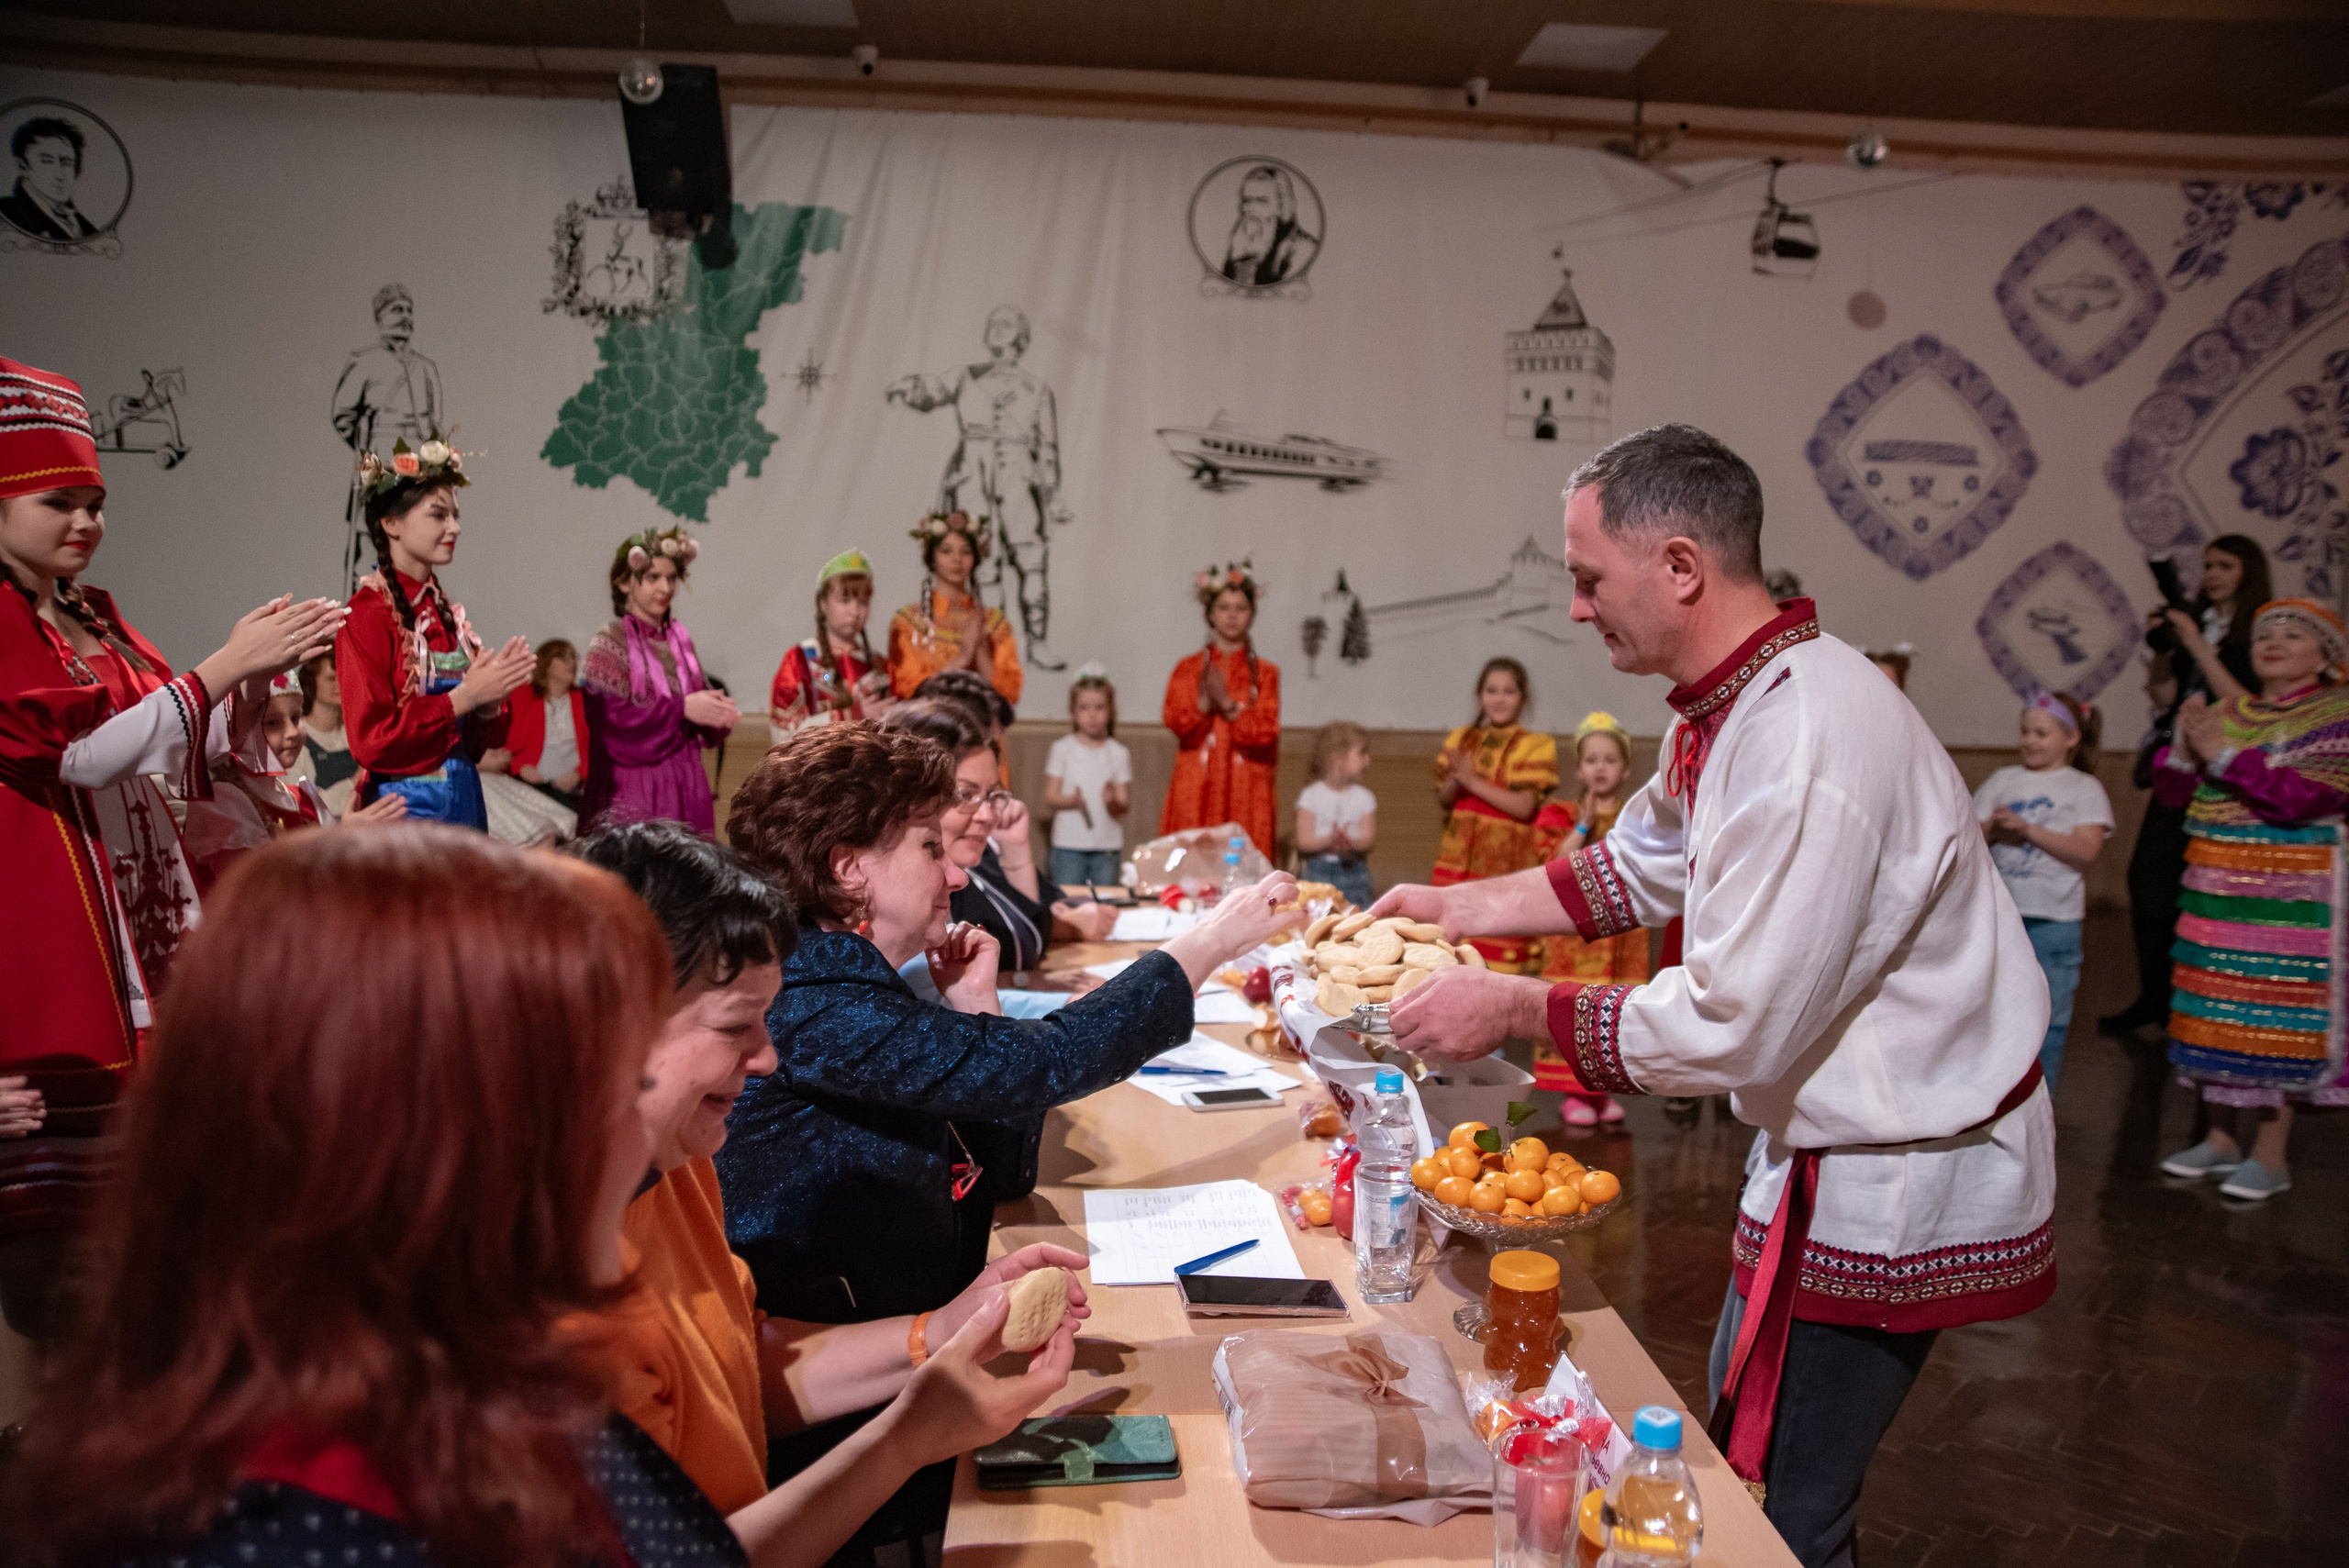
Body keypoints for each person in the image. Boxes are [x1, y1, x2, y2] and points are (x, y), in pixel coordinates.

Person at [1371, 425, 2055, 1568]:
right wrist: (1456, 910)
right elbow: (1639, 861)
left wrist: (1512, 1011)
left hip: (1894, 1160)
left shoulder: (1804, 735)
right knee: (1747, 1454)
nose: (1579, 609)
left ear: (1679, 566)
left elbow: (1734, 1021)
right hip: (1836, 1140)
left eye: (1589, 579)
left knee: (1786, 1506)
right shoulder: (1730, 701)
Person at [1, 827, 737, 1567]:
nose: (638, 1136)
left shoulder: (463, 1385)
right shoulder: (291, 1530)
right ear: (448, 1145)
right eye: (619, 1088)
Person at [716, 722, 1296, 1563]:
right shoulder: (815, 1000)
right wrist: (1205, 943)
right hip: (833, 1440)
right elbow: (1045, 1060)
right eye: (928, 846)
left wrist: (977, 1004)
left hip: (902, 1382)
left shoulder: (857, 988)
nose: (957, 871)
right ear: (850, 870)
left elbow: (1005, 1165)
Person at [566, 822, 1084, 1560]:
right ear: (611, 1024)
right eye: (735, 1026)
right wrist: (904, 1440)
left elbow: (739, 1365)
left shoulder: (673, 1165)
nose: (767, 1057)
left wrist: (940, 1329)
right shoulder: (545, 1299)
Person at [1, 356, 340, 1344]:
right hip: (60, 901)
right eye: (59, 501)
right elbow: (73, 752)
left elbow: (172, 738)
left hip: (143, 893)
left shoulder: (93, 612)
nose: (86, 522)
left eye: (97, 502)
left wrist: (246, 686)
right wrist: (224, 663)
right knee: (65, 1214)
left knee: (160, 1186)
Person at [2154, 598, 2349, 1203]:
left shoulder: (2338, 712)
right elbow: (2170, 793)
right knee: (2217, 1004)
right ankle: (2218, 1139)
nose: (2275, 642)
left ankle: (2271, 1154)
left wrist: (2224, 756)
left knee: (2275, 1011)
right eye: (2267, 633)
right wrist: (2185, 750)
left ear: (2327, 655)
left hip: (2291, 891)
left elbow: (2306, 797)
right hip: (2216, 881)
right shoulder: (2227, 709)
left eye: (2294, 635)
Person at [337, 439, 534, 830]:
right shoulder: (367, 614)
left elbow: (476, 747)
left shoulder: (445, 615)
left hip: (463, 802)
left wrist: (491, 700)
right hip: (406, 815)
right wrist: (464, 697)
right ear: (391, 523)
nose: (455, 527)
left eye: (455, 515)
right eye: (438, 515)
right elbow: (371, 740)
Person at [885, 307, 1068, 670]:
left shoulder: (1037, 388)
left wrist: (1052, 494)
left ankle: (1037, 642)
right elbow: (934, 390)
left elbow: (1047, 448)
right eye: (993, 323)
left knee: (1031, 560)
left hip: (1018, 476)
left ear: (1022, 337)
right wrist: (912, 386)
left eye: (1006, 324)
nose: (997, 329)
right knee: (984, 565)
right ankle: (998, 646)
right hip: (973, 471)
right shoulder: (968, 376)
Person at [1974, 692, 2111, 1086]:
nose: (2030, 741)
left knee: (2048, 1016)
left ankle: (2039, 1097)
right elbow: (1967, 838)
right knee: (1994, 1012)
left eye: (2042, 733)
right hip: (2003, 918)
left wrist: (2029, 829)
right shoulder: (2003, 780)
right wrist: (1992, 827)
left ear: (2071, 738)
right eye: (2025, 732)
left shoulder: (2084, 788)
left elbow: (2087, 848)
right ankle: (1992, 1096)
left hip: (2055, 921)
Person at [581, 524, 740, 836]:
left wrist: (714, 710)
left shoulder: (679, 640)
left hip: (685, 780)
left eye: (671, 578)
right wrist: (681, 709)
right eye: (653, 577)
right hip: (635, 790)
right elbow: (611, 723)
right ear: (626, 582)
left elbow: (694, 703)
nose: (666, 588)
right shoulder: (608, 643)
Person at [1531, 712, 1648, 1125]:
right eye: (1592, 760)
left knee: (1614, 1006)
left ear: (1627, 768)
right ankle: (1573, 1092)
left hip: (1622, 933)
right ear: (1579, 768)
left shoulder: (1638, 816)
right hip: (1575, 936)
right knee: (1574, 1001)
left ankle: (1601, 1093)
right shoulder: (1559, 814)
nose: (1601, 768)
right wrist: (1585, 821)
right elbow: (1557, 865)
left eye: (1611, 760)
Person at [1431, 657, 1559, 973]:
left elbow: (1525, 806)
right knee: (1451, 953)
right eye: (1491, 691)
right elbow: (1446, 800)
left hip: (1504, 864)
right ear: (1480, 696)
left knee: (1498, 962)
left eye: (1508, 691)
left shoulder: (1534, 746)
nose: (1499, 699)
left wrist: (1472, 781)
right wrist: (1455, 780)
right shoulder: (1463, 739)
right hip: (1459, 861)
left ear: (1522, 699)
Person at [1160, 561, 1280, 855]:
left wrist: (1227, 705)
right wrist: (1203, 704)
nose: (1232, 616)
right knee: (1190, 873)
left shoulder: (1265, 673)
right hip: (1197, 785)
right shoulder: (1188, 669)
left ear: (1251, 615)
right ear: (1210, 614)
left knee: (1242, 875)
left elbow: (1265, 731)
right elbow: (1175, 721)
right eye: (1224, 607)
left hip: (1245, 790)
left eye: (1241, 608)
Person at [2101, 653, 2190, 1041]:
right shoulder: (2166, 722)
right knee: (2147, 886)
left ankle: (2180, 1004)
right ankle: (2155, 998)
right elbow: (2144, 777)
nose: (2148, 687)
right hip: (2170, 802)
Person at [886, 511, 1022, 706]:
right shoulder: (908, 621)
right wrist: (963, 656)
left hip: (981, 727)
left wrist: (981, 647)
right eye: (946, 551)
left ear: (975, 558)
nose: (957, 559)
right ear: (932, 557)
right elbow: (906, 689)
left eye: (966, 551)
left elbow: (1008, 695)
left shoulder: (993, 622)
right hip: (927, 727)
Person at [771, 550, 894, 740]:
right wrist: (853, 715)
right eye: (844, 600)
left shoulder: (879, 666)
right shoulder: (800, 660)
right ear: (823, 603)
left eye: (863, 602)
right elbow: (784, 734)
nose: (854, 611)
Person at [2150, 534, 2270, 704]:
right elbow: (2164, 699)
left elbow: (2250, 709)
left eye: (2225, 566)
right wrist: (2161, 649)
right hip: (2181, 729)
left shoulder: (2262, 633)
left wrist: (2197, 645)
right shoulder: (2197, 622)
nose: (2212, 574)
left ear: (2250, 572)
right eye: (2208, 566)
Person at [1043, 663, 1131, 890]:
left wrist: (1111, 801)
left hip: (1106, 848)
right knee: (1068, 906)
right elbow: (1051, 797)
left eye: (1099, 707)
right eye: (1084, 707)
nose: (1092, 714)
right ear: (1073, 712)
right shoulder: (1062, 748)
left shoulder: (1118, 752)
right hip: (1068, 846)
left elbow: (1123, 805)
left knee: (1105, 904)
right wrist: (1072, 800)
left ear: (1110, 711)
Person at [1295, 719, 1377, 909]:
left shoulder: (1365, 797)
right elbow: (1304, 841)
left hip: (1355, 872)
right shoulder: (1311, 796)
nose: (1367, 760)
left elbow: (1368, 839)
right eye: (1362, 753)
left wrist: (1349, 842)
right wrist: (1331, 839)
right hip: (1318, 873)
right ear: (1339, 758)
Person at [501, 638, 590, 808]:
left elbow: (600, 745)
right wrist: (519, 767)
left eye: (574, 658)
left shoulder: (586, 699)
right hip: (530, 786)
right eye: (564, 658)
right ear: (546, 663)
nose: (571, 663)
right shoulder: (522, 695)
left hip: (573, 790)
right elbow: (504, 742)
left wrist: (580, 774)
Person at [1220, 163, 1319, 287]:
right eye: (1247, 201)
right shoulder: (1239, 245)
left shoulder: (1305, 249)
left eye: (1261, 201)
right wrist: (1242, 260)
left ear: (1282, 207)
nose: (1250, 209)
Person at [0, 117, 99, 242]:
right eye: (47, 161)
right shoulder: (7, 213)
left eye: (67, 163)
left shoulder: (79, 221)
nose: (60, 175)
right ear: (22, 166)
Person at [286, 651, 358, 817]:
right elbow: (306, 806)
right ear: (311, 683)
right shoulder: (296, 735)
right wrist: (357, 779)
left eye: (344, 675)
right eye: (331, 678)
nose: (340, 683)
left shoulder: (356, 731)